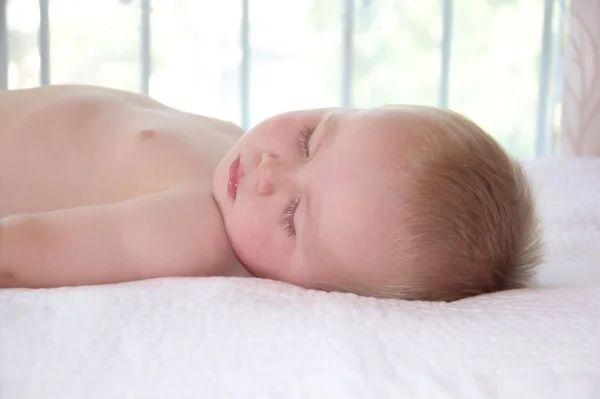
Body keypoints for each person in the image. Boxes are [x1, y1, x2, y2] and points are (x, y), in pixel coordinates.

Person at [0, 84, 543, 301]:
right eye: (311, 138)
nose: (268, 171)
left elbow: (26, 252)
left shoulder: (191, 232)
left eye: (293, 217)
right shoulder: (235, 152)